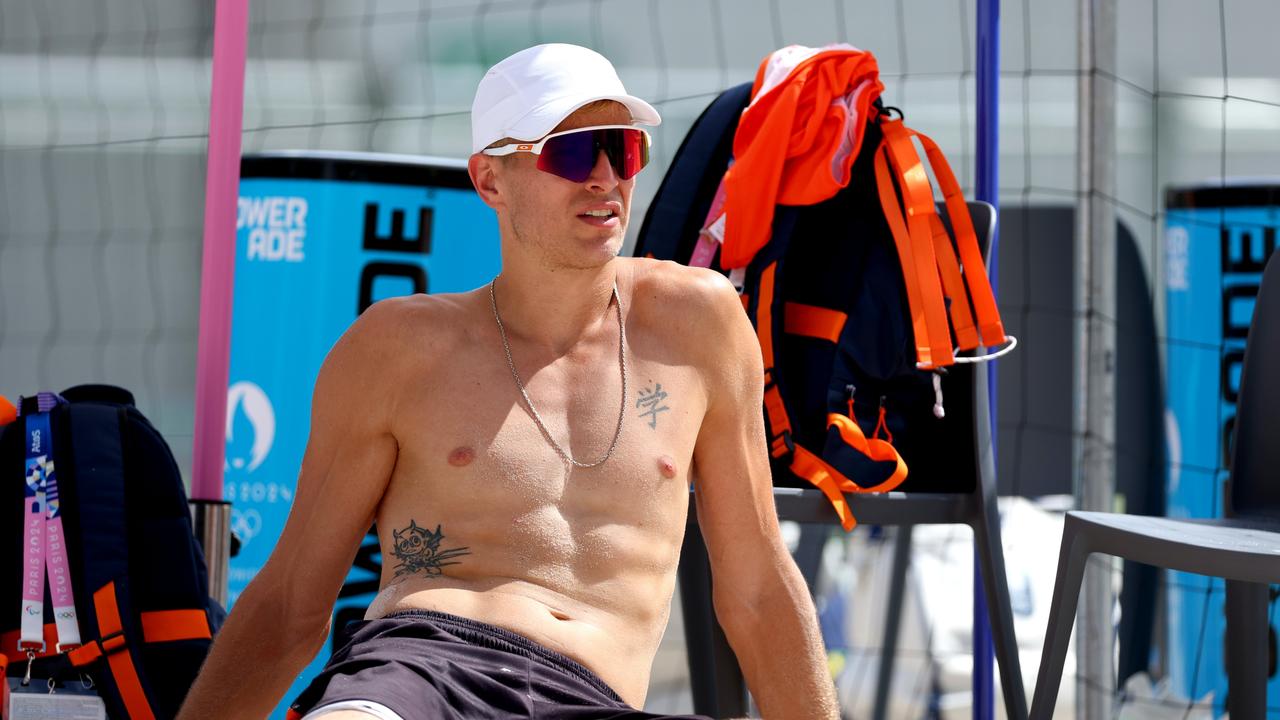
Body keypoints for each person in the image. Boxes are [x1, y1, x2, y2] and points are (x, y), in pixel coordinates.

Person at [177, 43, 838, 720]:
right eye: (574, 152)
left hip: (591, 693)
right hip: (420, 666)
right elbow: (291, 602)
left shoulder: (699, 324)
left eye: (624, 149)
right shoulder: (399, 348)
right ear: (489, 179)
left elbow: (757, 587)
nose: (606, 178)